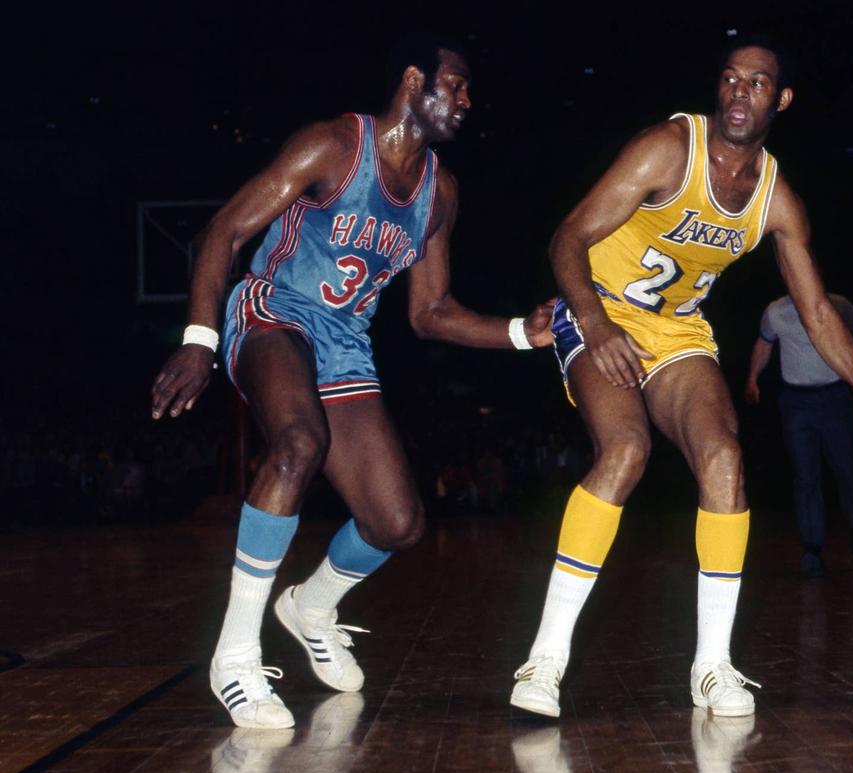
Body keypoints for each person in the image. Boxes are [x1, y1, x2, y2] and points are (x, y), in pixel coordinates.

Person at [510, 34, 853, 719]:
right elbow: (568, 236)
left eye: (758, 83)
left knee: (725, 458)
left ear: (782, 99)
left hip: (675, 330)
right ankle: (546, 659)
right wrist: (595, 322)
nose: (740, 92)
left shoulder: (776, 199)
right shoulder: (668, 148)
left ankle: (712, 668)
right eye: (731, 79)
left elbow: (818, 312)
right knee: (625, 451)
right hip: (598, 311)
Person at [150, 33, 553, 729]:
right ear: (410, 80)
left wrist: (523, 332)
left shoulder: (440, 194)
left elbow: (430, 313)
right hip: (272, 312)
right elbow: (222, 231)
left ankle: (310, 606)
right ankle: (235, 658)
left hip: (342, 343)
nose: (464, 101)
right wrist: (197, 340)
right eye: (452, 85)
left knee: (397, 523)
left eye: (466, 91)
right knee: (298, 443)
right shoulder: (333, 145)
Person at [745, 293, 853, 577]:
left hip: (835, 397)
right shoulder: (776, 310)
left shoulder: (840, 306)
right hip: (796, 401)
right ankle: (812, 549)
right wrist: (753, 377)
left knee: (847, 470)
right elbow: (764, 345)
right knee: (806, 476)